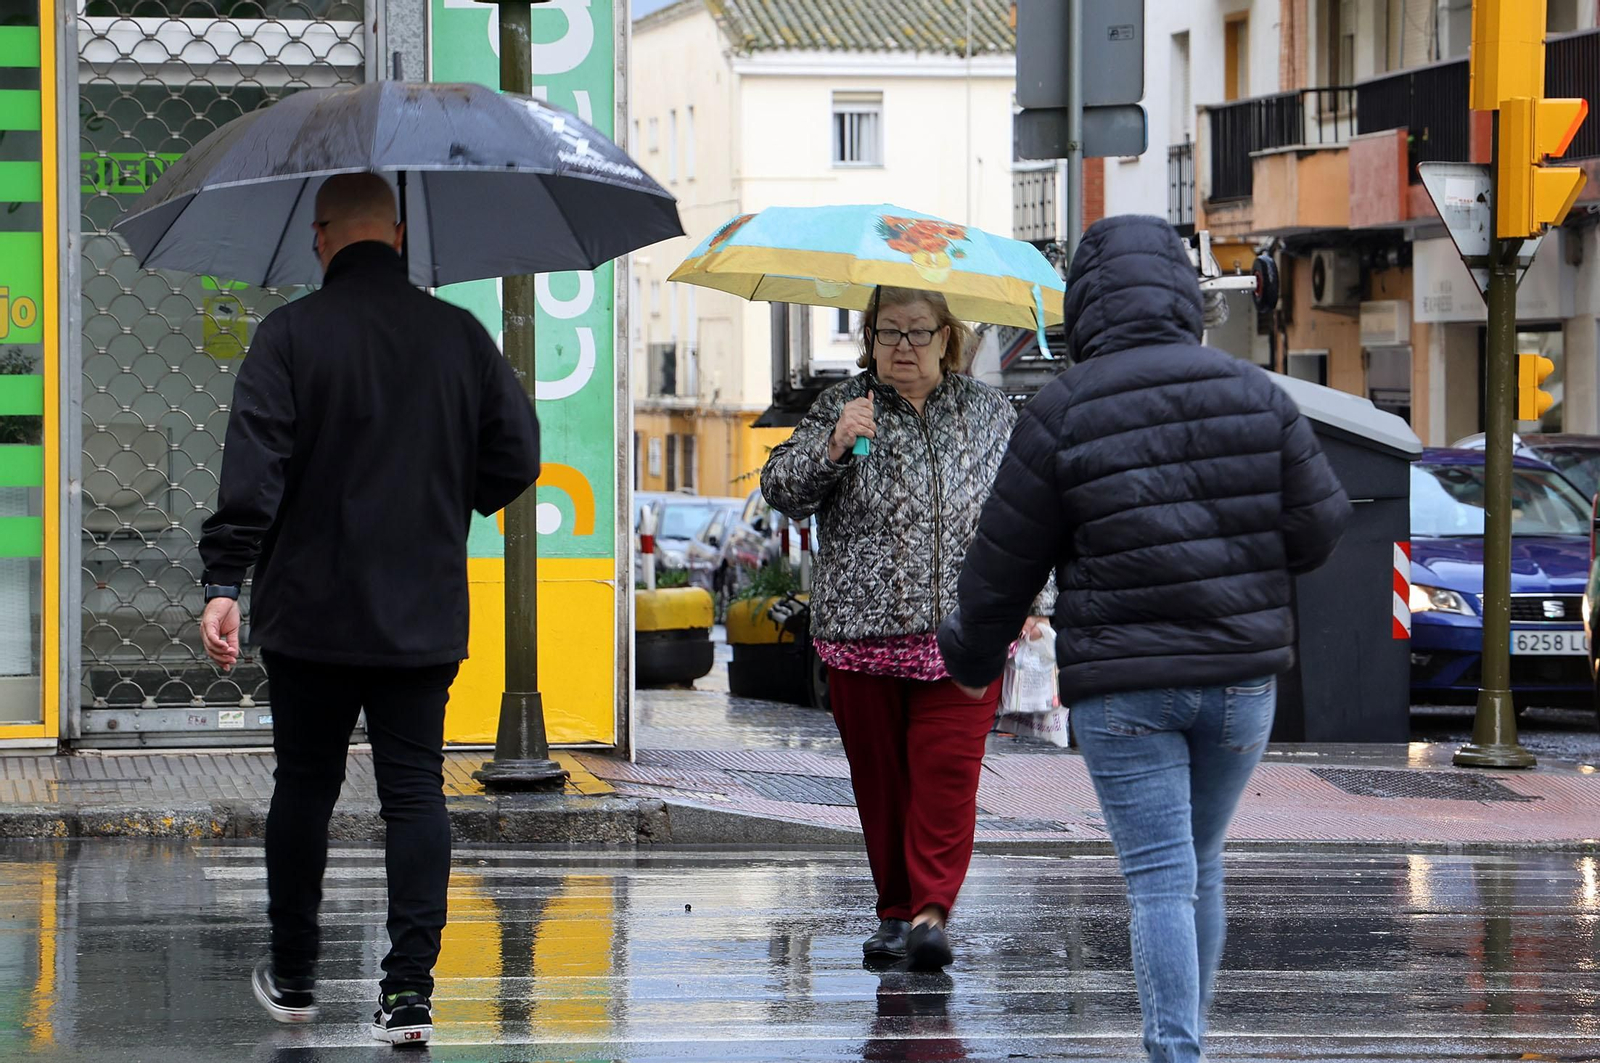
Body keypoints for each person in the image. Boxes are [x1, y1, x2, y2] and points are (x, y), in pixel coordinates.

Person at [938, 215, 1351, 1063]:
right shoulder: (1256, 392)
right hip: (1240, 680)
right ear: (1184, 292)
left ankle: (1177, 1052)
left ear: (1084, 301)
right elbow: (1320, 528)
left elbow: (1003, 563)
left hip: (1123, 687)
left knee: (1161, 878)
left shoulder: (1062, 411)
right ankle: (1181, 1046)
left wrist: (970, 660)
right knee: (1199, 862)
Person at [196, 172, 540, 1046]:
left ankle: (298, 971)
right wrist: (449, 495)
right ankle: (410, 993)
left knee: (304, 786)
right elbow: (517, 453)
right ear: (395, 236)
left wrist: (226, 579)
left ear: (320, 239)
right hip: (421, 609)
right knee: (414, 792)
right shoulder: (460, 336)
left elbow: (255, 468)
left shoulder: (288, 335)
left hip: (309, 612)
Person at [760, 286, 1049, 972]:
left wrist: (1037, 597)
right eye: (888, 333)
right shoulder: (844, 404)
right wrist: (831, 446)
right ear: (869, 337)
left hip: (966, 629)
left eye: (919, 333)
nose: (903, 348)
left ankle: (929, 912)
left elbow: (1026, 510)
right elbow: (779, 489)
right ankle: (895, 909)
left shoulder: (988, 413)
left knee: (947, 773)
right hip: (862, 632)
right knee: (882, 780)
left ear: (949, 338)